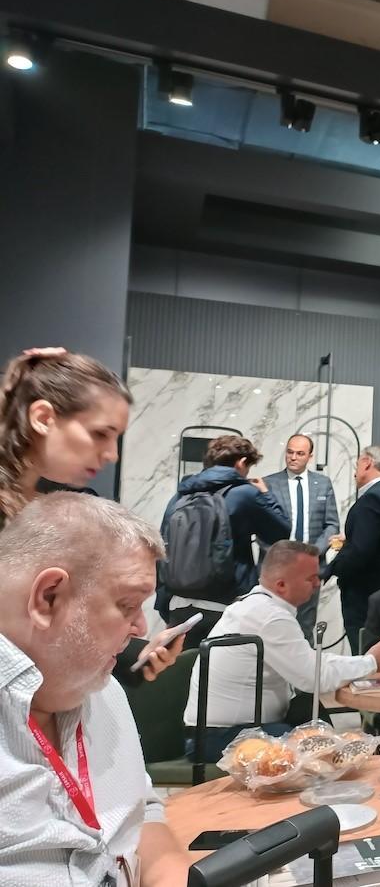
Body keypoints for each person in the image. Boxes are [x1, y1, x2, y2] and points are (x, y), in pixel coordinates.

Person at [0, 493, 191, 885]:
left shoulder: (104, 692)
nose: (141, 627)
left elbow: (140, 811)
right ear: (49, 597)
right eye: (127, 604)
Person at [0, 346, 181, 685]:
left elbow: (46, 637)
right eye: (100, 434)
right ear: (43, 418)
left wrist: (130, 658)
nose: (111, 454)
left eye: (116, 438)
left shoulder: (59, 510)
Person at [183, 540, 380, 761]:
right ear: (281, 585)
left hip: (236, 728)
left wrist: (367, 661)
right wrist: (371, 663)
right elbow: (315, 677)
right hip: (221, 737)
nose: (317, 583)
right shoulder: (269, 617)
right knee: (319, 752)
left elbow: (312, 663)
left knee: (312, 717)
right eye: (310, 578)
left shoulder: (258, 606)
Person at [160, 434, 292, 649]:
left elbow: (161, 547)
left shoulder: (181, 495)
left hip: (180, 604)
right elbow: (280, 531)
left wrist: (165, 604)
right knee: (225, 668)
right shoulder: (244, 494)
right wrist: (265, 493)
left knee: (184, 667)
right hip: (228, 605)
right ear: (241, 462)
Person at [325, 445, 380, 651]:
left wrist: (331, 569)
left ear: (367, 463)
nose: (354, 473)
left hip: (364, 596)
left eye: (356, 465)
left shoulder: (373, 498)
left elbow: (361, 551)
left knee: (366, 657)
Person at [263, 433, 341, 639]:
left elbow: (332, 524)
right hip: (279, 567)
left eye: (299, 453)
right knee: (274, 626)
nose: (293, 457)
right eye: (290, 452)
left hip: (311, 566)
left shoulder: (322, 484)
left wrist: (314, 551)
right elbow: (261, 526)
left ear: (310, 456)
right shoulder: (269, 483)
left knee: (305, 626)